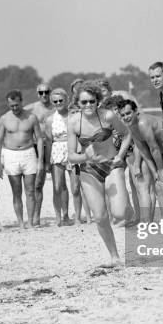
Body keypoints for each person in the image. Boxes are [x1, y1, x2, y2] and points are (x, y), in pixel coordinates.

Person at [68, 81, 129, 266]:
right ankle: (114, 257)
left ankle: (128, 209)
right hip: (89, 170)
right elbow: (71, 156)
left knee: (118, 213)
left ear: (98, 101)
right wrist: (84, 156)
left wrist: (120, 155)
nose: (88, 105)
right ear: (77, 103)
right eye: (84, 102)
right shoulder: (73, 122)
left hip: (111, 165)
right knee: (101, 217)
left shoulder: (108, 116)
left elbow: (127, 134)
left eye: (92, 101)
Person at [118, 99, 163, 222]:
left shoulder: (142, 123)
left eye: (128, 113)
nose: (126, 117)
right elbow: (144, 151)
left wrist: (161, 170)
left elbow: (154, 149)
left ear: (135, 111)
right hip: (160, 152)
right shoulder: (131, 126)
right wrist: (154, 172)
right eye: (123, 115)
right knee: (159, 187)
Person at [0, 90, 43, 228]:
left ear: (21, 101)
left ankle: (30, 222)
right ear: (8, 104)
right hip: (11, 155)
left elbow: (39, 139)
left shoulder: (31, 117)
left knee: (30, 190)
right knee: (16, 191)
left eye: (17, 105)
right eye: (12, 106)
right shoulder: (4, 119)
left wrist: (40, 160)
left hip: (28, 153)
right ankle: (21, 222)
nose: (15, 108)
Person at [44, 88, 79, 226]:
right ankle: (60, 216)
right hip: (57, 151)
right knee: (58, 186)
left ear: (67, 100)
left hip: (72, 150)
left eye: (61, 100)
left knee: (75, 187)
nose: (58, 103)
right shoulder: (50, 119)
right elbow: (48, 141)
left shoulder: (75, 116)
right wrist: (47, 161)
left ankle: (76, 217)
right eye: (55, 101)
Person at [24, 83, 55, 226]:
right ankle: (36, 216)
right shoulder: (32, 108)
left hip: (52, 145)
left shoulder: (55, 107)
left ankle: (63, 215)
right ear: (38, 94)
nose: (44, 95)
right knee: (37, 184)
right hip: (36, 145)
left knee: (58, 184)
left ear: (50, 92)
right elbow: (16, 113)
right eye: (41, 92)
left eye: (46, 92)